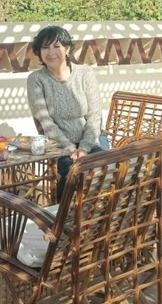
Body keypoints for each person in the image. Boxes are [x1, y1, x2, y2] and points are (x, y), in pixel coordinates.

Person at [27, 26, 109, 201]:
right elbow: (45, 121)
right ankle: (64, 215)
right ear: (39, 52)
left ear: (67, 49)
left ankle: (101, 213)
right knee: (71, 173)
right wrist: (70, 149)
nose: (51, 52)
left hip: (92, 139)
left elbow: (95, 115)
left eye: (56, 46)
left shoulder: (85, 73)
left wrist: (84, 147)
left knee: (104, 169)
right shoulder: (36, 79)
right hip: (60, 144)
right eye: (45, 47)